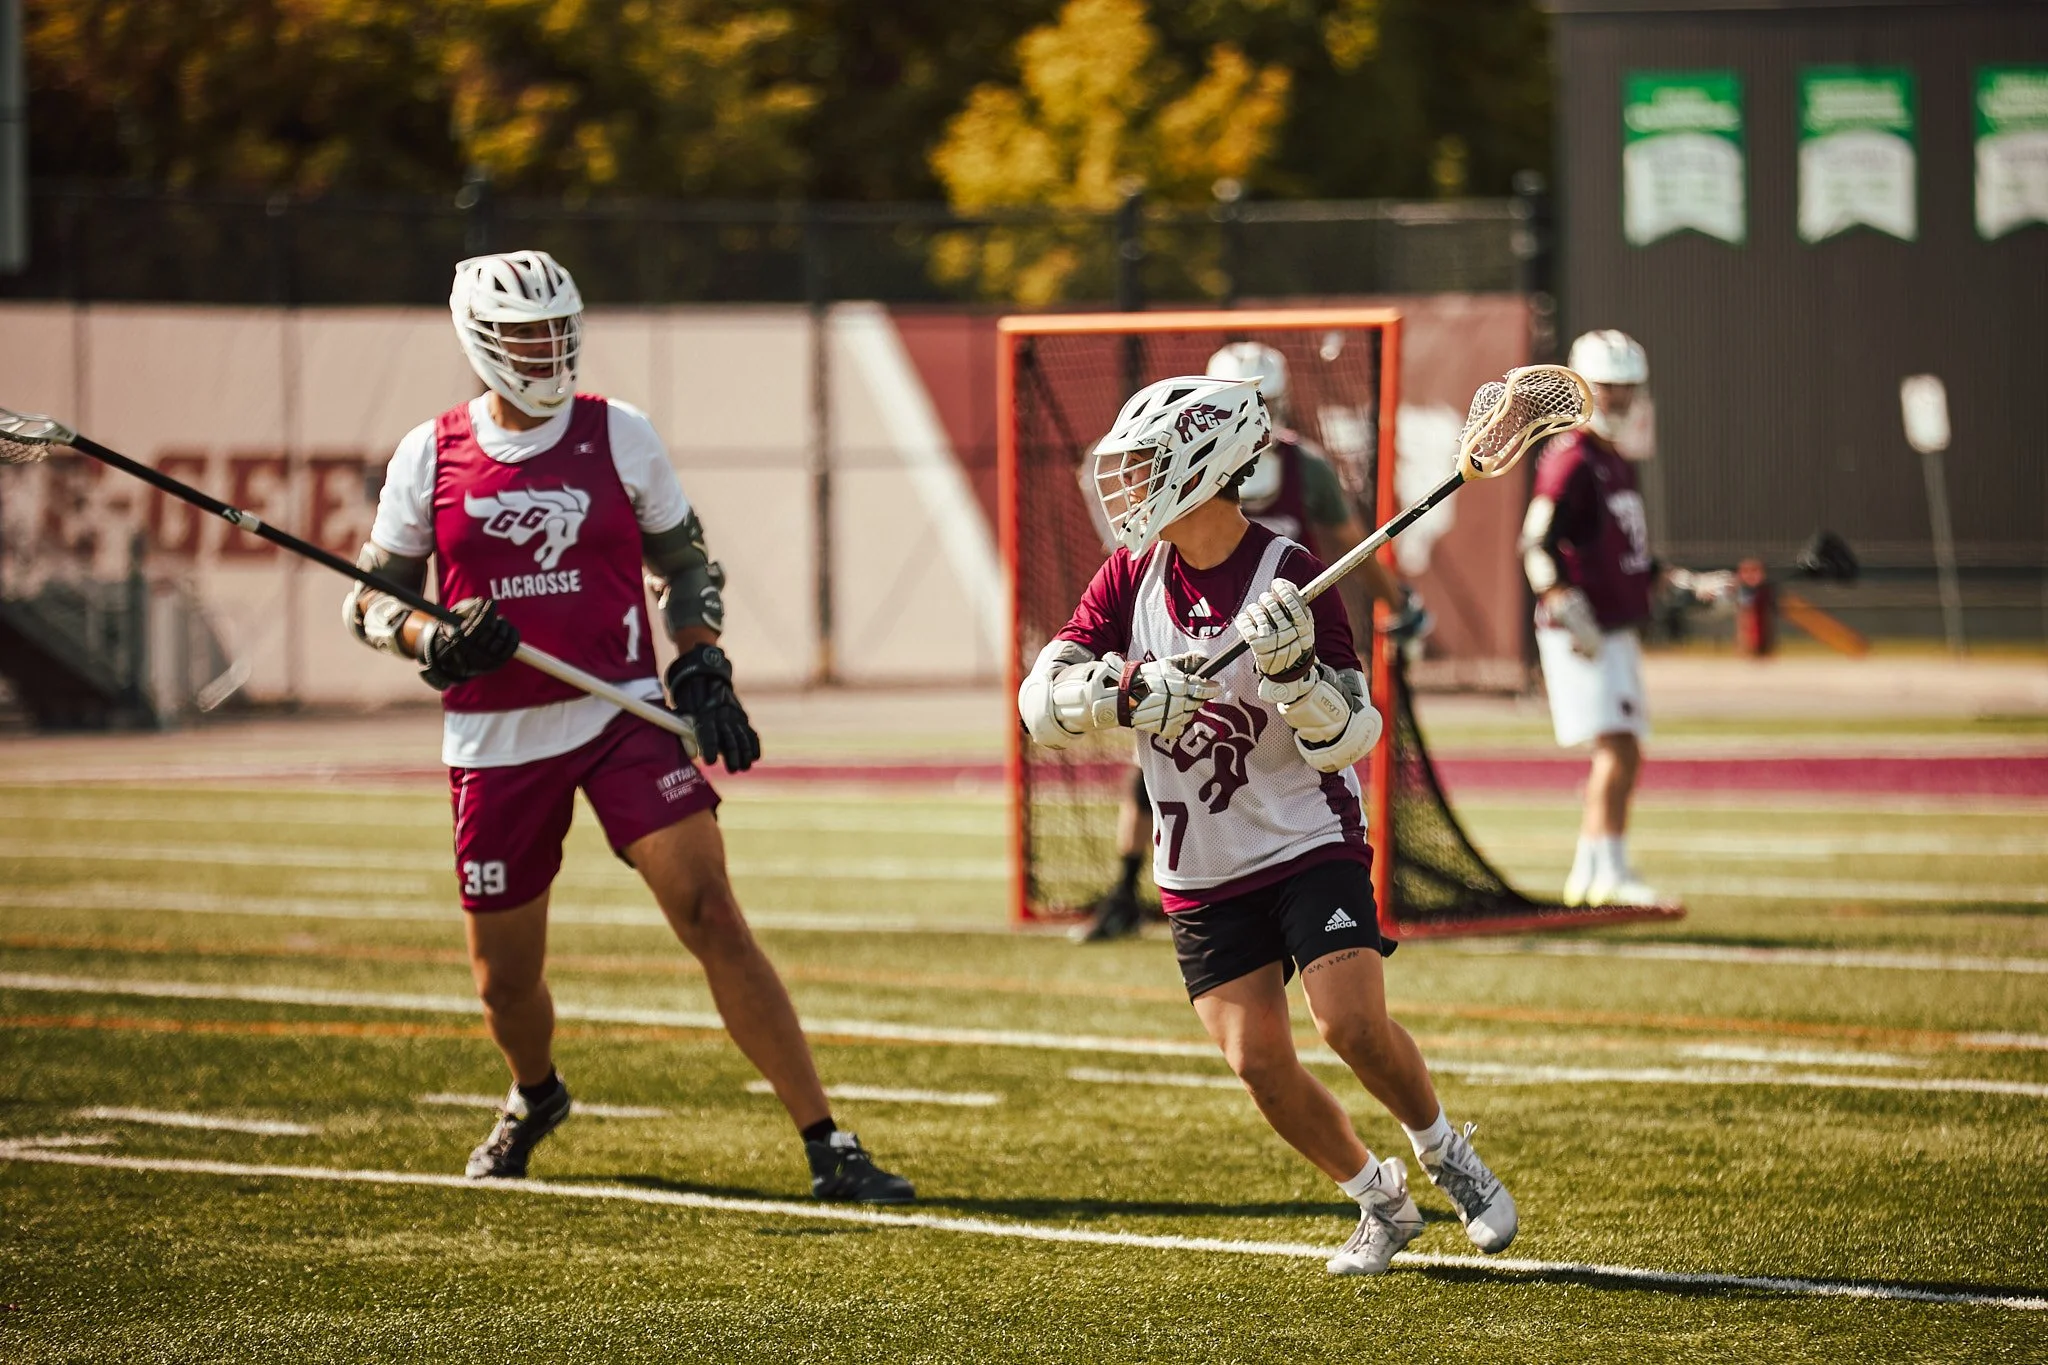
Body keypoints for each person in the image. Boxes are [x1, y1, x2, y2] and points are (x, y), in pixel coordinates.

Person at [342, 249, 912, 1202]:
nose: (548, 349)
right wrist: (427, 641)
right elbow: (367, 604)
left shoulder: (620, 434)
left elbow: (686, 565)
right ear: (481, 341)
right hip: (494, 739)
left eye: (558, 330)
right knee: (504, 983)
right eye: (527, 334)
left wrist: (699, 659)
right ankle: (535, 1093)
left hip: (618, 712)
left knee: (711, 911)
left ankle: (828, 1140)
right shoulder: (429, 454)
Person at [1020, 373, 1515, 1275]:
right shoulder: (1131, 573)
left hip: (1302, 836)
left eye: (1143, 467)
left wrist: (1296, 679)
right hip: (1201, 860)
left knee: (1351, 1026)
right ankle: (1380, 1199)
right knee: (1257, 1062)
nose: (1125, 488)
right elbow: (1038, 698)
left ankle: (1447, 1152)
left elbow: (1352, 735)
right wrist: (1122, 691)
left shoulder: (1292, 576)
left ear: (1200, 467)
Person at [1076, 342, 1428, 943]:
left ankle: (1314, 887)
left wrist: (1389, 609)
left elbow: (1348, 547)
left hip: (1282, 634)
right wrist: (1121, 690)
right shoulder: (1147, 556)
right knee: (1163, 756)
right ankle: (1122, 887)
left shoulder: (1299, 483)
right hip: (1193, 627)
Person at [1521, 330, 1732, 907]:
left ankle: (1591, 872)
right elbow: (1536, 542)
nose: (1617, 400)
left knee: (1622, 748)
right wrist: (1562, 600)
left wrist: (1684, 583)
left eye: (1626, 389)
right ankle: (1606, 869)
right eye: (1608, 388)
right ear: (1583, 388)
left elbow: (1625, 548)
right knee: (1619, 748)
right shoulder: (1572, 458)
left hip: (1614, 623)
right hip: (1585, 626)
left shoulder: (1614, 460)